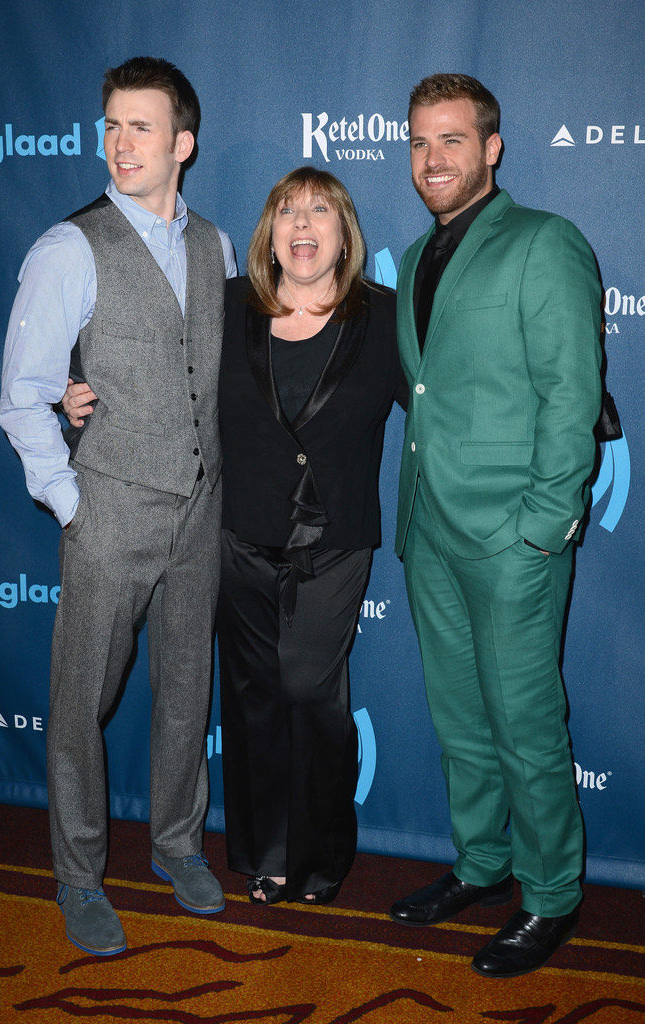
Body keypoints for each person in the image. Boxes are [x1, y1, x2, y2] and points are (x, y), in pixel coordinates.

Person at [65, 166, 406, 905]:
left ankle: (322, 852)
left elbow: (443, 399)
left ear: (344, 233)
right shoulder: (228, 306)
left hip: (336, 542)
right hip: (241, 533)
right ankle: (267, 854)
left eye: (320, 211)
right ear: (269, 233)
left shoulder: (383, 315)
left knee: (310, 690)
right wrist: (74, 385)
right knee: (253, 696)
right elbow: (156, 371)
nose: (303, 224)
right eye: (287, 211)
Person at [0, 56, 237, 957]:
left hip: (200, 511)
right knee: (79, 703)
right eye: (111, 125)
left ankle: (177, 845)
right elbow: (23, 397)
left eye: (142, 126)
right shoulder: (69, 248)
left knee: (186, 689)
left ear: (183, 144)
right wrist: (73, 502)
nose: (121, 143)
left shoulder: (217, 246)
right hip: (109, 509)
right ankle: (78, 875)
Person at [389, 74, 602, 978]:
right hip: (430, 529)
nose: (432, 159)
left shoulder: (545, 242)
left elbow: (570, 393)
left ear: (491, 148)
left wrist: (544, 525)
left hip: (513, 535)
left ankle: (551, 894)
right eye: (419, 142)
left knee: (524, 723)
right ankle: (482, 864)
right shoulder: (414, 256)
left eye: (451, 139)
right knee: (460, 719)